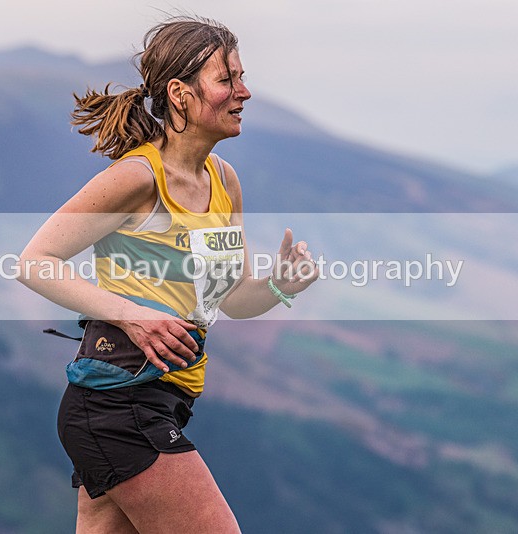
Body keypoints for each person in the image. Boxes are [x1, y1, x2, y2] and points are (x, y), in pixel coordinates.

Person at [17, 15, 319, 533]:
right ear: (180, 94)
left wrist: (277, 286)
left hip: (162, 400)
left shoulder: (224, 180)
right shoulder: (137, 178)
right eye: (227, 79)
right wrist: (131, 315)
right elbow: (34, 262)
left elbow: (231, 299)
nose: (244, 92)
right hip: (118, 403)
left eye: (242, 77)